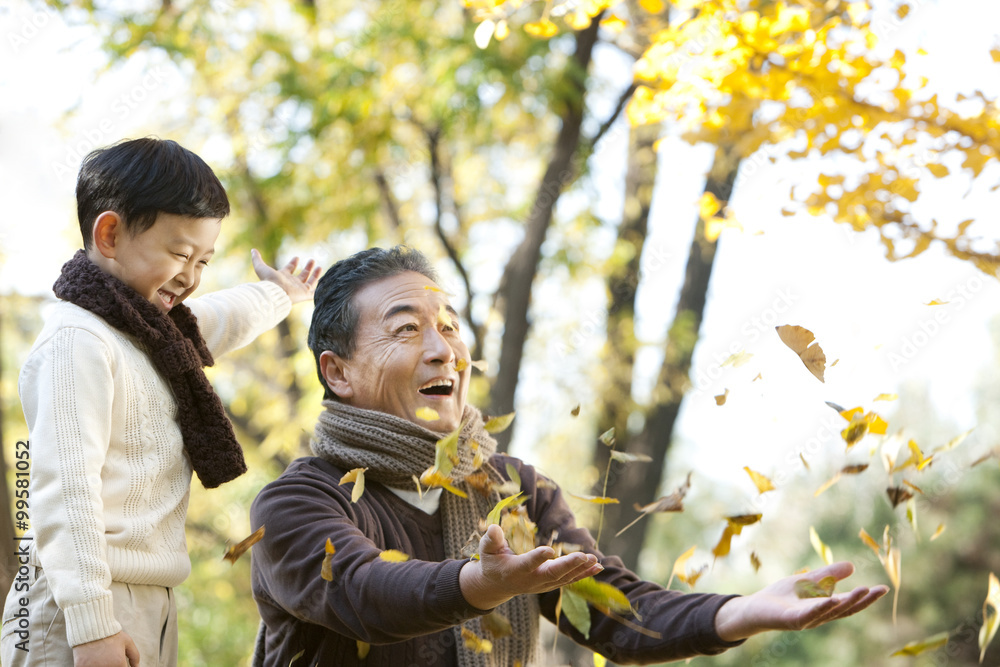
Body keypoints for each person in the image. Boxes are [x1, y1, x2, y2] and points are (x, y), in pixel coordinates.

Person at [249, 246, 887, 666]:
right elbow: (366, 593)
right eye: (406, 329)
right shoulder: (298, 504)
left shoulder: (513, 492)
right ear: (338, 373)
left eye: (448, 325)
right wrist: (479, 584)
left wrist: (742, 610)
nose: (443, 349)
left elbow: (613, 609)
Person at [0, 137, 320, 667]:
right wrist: (93, 628)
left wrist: (280, 294)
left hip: (149, 601)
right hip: (76, 606)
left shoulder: (154, 335)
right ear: (110, 234)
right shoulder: (77, 341)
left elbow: (220, 317)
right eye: (179, 254)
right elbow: (64, 490)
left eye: (204, 260)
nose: (191, 277)